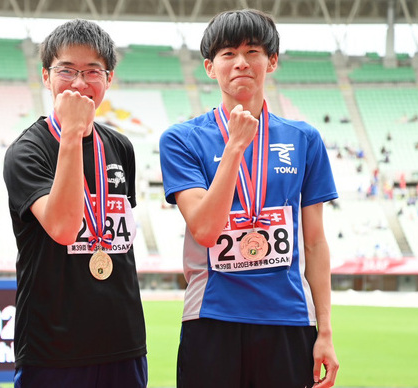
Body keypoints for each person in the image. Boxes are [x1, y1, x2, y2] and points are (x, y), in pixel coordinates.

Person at [159, 9, 339, 388]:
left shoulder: (304, 139)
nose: (240, 63)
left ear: (271, 61)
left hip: (288, 319)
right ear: (210, 67)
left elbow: (316, 241)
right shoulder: (181, 140)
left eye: (252, 51)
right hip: (211, 318)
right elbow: (206, 228)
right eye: (227, 54)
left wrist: (325, 331)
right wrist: (236, 147)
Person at [3, 19, 147, 388]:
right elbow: (64, 228)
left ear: (108, 78)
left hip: (123, 343)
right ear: (46, 77)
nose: (80, 83)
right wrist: (71, 133)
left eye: (92, 71)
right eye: (66, 70)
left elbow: (122, 238)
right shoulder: (27, 150)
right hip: (53, 347)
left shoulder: (120, 147)